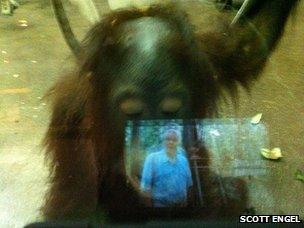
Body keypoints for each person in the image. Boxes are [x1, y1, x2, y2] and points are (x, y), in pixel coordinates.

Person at [140, 129, 193, 207]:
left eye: (174, 140)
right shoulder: (152, 158)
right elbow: (145, 188)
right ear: (163, 141)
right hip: (160, 208)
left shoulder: (183, 160)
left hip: (182, 207)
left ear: (178, 142)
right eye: (168, 139)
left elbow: (188, 184)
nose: (171, 142)